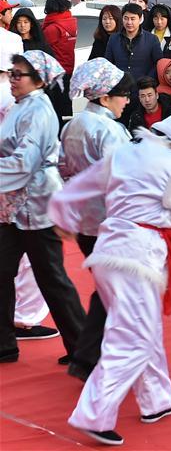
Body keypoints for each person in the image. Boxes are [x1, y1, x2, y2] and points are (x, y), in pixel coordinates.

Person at [49, 113, 171, 446]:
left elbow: (80, 185)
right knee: (133, 337)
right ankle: (94, 414)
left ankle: (157, 400)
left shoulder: (125, 152)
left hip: (109, 248)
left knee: (143, 326)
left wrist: (63, 214)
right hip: (138, 256)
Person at [0, 50, 86, 364]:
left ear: (38, 81)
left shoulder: (38, 110)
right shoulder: (19, 106)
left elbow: (24, 162)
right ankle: (4, 343)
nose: (12, 79)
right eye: (11, 73)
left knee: (52, 278)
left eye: (18, 75)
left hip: (36, 204)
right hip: (12, 206)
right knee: (2, 272)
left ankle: (84, 349)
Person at [58, 58, 134, 380]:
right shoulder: (110, 130)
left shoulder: (72, 126)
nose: (127, 100)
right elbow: (126, 177)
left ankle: (93, 353)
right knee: (114, 290)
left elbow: (62, 169)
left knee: (110, 287)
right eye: (123, 95)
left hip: (85, 222)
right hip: (111, 220)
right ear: (105, 97)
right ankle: (88, 355)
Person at [42, 0, 78, 127]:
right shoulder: (71, 23)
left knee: (55, 109)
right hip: (68, 69)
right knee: (65, 108)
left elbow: (42, 45)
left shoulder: (53, 28)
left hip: (55, 73)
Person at [105, 2, 162, 81]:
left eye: (132, 19)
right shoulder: (113, 39)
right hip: (119, 84)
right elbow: (108, 63)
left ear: (140, 19)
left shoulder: (152, 39)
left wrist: (148, 80)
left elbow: (158, 63)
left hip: (143, 85)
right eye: (126, 18)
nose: (129, 22)